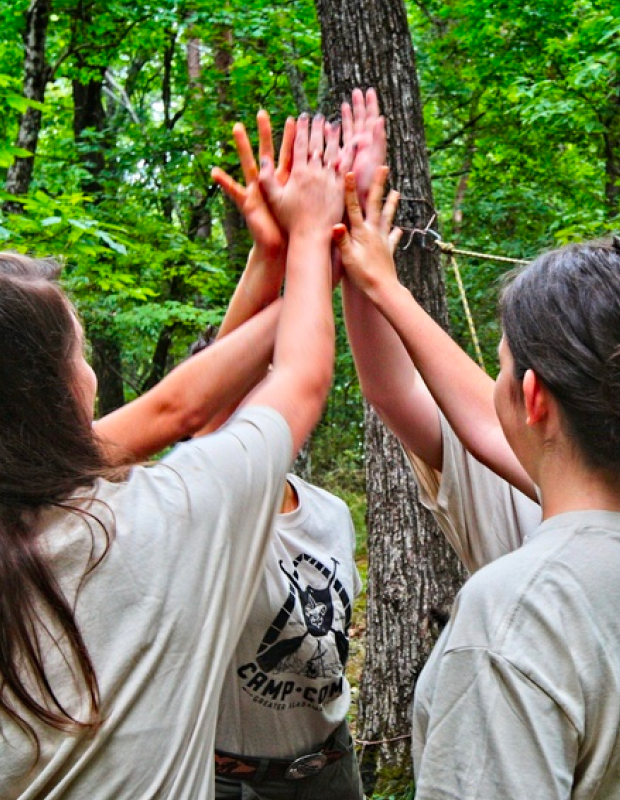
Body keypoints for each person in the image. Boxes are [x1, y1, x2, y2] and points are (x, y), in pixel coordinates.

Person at [0, 111, 343, 800]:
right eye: (82, 352)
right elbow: (295, 379)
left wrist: (278, 263)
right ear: (57, 391)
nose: (91, 370)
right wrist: (313, 240)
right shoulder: (147, 527)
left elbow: (178, 410)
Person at [338, 162, 620, 796]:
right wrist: (378, 283)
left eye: (498, 365)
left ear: (533, 396)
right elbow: (408, 395)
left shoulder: (514, 619)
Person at [338, 88, 541, 574]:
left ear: (537, 400)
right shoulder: (518, 482)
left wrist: (383, 282)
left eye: (504, 369)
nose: (496, 385)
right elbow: (397, 387)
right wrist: (357, 226)